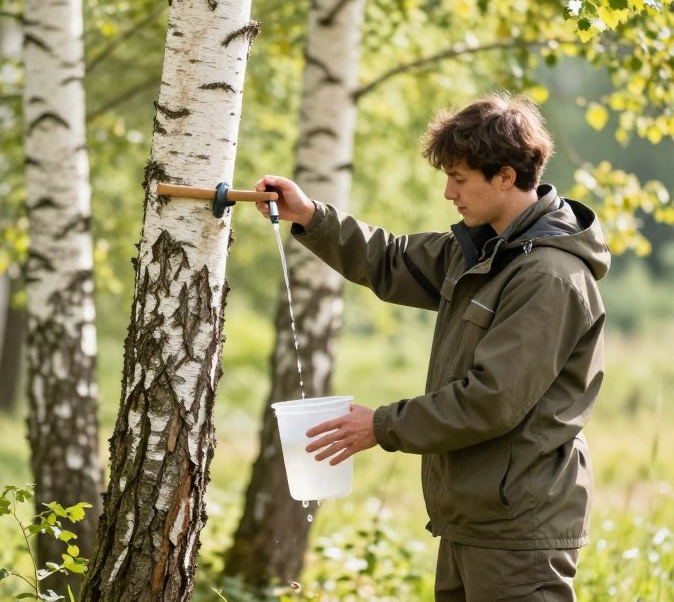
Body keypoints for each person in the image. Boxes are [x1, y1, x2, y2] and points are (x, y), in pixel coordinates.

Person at [257, 94, 610, 601]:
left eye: (460, 179)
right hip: (475, 516)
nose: (448, 193)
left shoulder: (549, 277)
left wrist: (380, 425)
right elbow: (392, 260)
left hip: (517, 528)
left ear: (506, 177)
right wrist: (312, 216)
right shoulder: (486, 249)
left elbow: (491, 400)